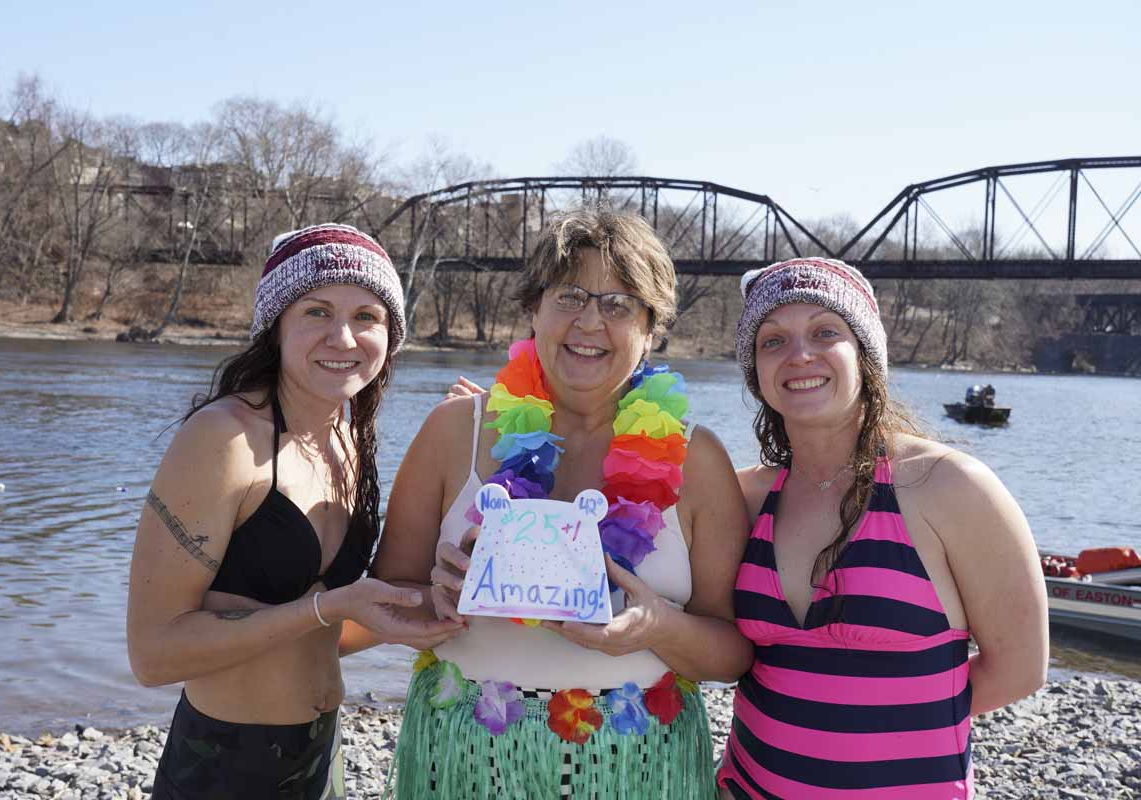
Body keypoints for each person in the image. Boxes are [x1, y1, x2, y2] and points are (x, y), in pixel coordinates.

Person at [371, 210, 752, 798]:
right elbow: (389, 594)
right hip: (470, 753)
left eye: (619, 304)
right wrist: (434, 599)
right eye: (569, 296)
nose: (590, 321)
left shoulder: (697, 458)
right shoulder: (453, 431)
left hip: (635, 760)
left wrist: (658, 626)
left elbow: (730, 654)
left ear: (652, 328)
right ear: (534, 309)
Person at [126, 224, 463, 800]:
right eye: (317, 311)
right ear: (275, 326)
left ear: (390, 337)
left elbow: (325, 634)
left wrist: (474, 434)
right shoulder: (225, 438)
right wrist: (327, 607)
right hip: (225, 765)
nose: (343, 337)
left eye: (367, 316)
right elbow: (153, 654)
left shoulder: (349, 440)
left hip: (322, 755)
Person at [719, 257, 1048, 799]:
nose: (799, 355)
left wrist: (895, 723)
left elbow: (1020, 668)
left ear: (866, 353)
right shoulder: (744, 498)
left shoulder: (948, 486)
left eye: (825, 332)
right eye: (772, 340)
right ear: (755, 371)